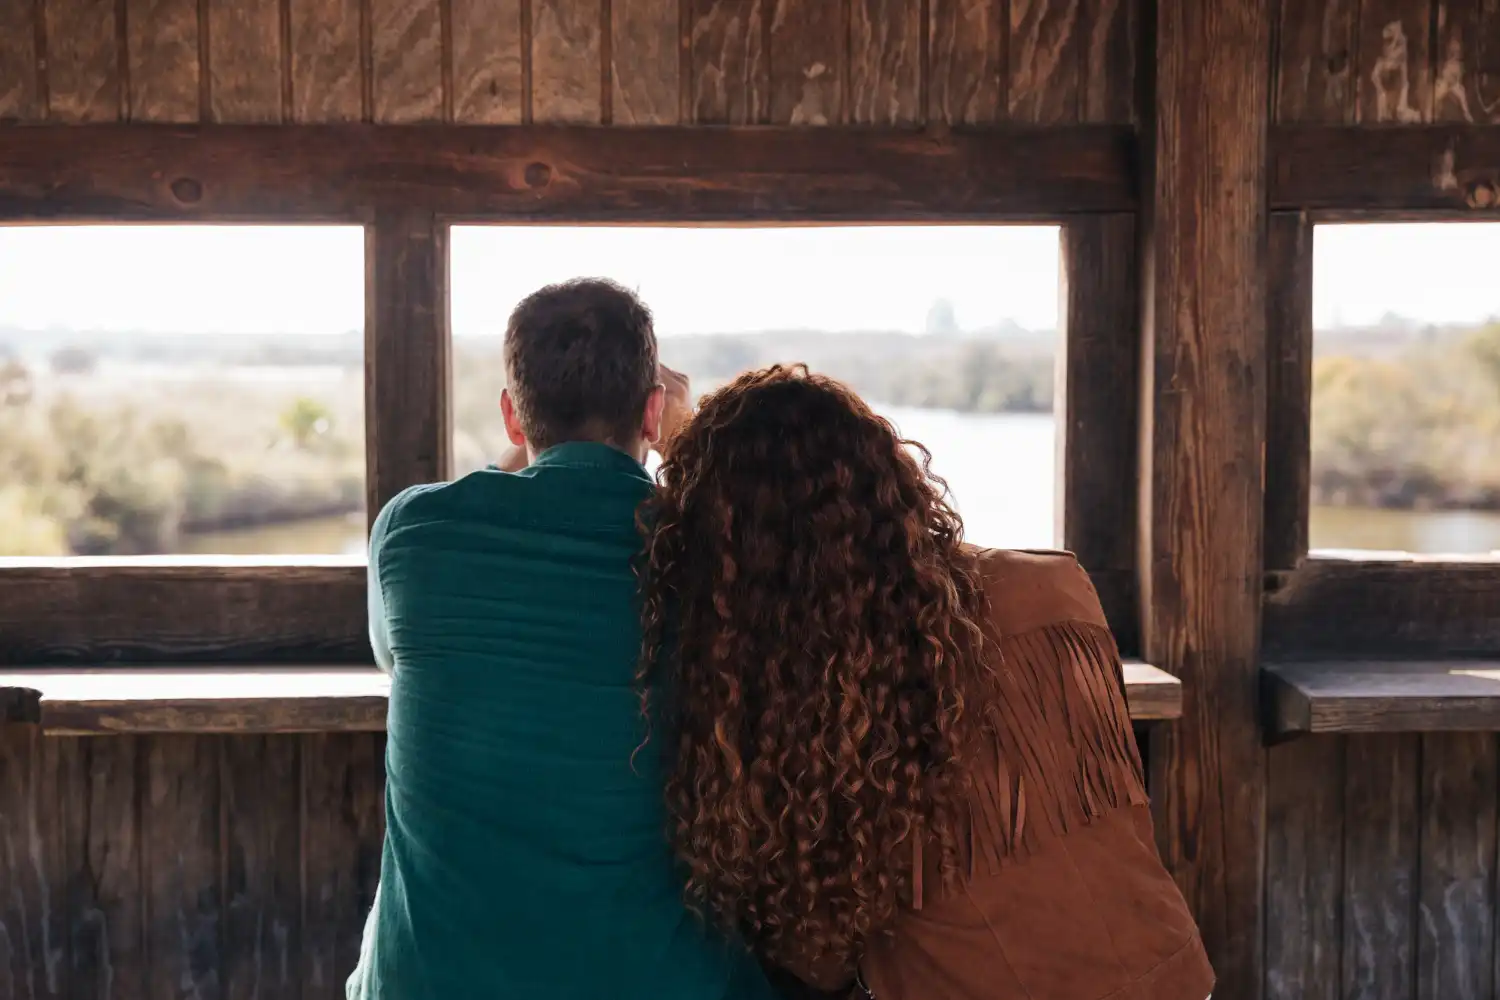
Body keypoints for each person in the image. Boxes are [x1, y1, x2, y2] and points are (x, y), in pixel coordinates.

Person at [636, 364, 1215, 1000]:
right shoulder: (1054, 587)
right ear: (889, 475)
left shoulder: (808, 700)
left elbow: (819, 954)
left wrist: (678, 446)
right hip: (1173, 974)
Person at [349, 279, 776, 1000]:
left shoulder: (411, 530)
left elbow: (390, 655)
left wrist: (531, 452)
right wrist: (683, 440)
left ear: (512, 417)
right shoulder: (711, 547)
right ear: (652, 412)